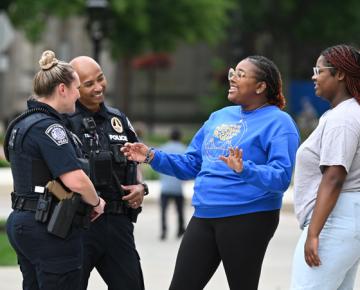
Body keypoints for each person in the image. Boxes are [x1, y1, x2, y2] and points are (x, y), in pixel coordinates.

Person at [121, 55, 300, 290]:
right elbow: (192, 163)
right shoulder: (219, 117)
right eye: (233, 73)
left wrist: (244, 169)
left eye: (241, 75)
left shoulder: (279, 123)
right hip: (204, 215)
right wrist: (152, 155)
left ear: (260, 86)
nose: (233, 79)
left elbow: (281, 177)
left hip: (248, 216)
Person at [4, 50, 105, 290]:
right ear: (62, 89)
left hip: (23, 221)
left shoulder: (21, 123)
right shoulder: (50, 129)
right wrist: (96, 202)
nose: (78, 95)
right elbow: (76, 180)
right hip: (48, 228)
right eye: (76, 88)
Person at [66, 56, 147, 290]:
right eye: (89, 84)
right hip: (80, 223)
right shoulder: (64, 122)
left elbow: (135, 158)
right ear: (74, 88)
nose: (99, 87)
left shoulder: (118, 119)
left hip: (118, 222)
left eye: (100, 79)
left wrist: (140, 187)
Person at [290, 45, 360, 290]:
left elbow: (334, 177)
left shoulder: (343, 119)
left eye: (319, 70)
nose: (313, 76)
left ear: (339, 74)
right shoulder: (347, 113)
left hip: (336, 218)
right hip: (346, 215)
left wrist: (314, 233)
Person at [159, 128, 187, 240]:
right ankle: (180, 230)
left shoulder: (163, 148)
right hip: (178, 187)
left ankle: (164, 231)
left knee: (163, 211)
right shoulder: (184, 149)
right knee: (180, 210)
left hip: (165, 186)